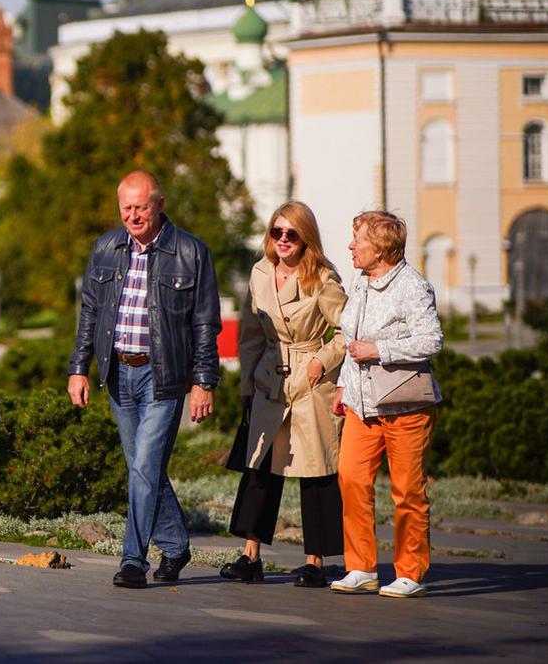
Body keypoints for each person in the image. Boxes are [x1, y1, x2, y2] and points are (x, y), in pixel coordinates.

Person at [68, 170, 220, 589]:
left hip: (163, 376)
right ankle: (174, 546)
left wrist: (203, 380)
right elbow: (89, 314)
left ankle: (132, 559)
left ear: (159, 204)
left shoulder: (191, 251)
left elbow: (206, 322)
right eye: (126, 208)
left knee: (145, 466)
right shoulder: (105, 248)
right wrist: (78, 368)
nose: (133, 216)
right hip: (118, 373)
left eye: (141, 207)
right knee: (142, 468)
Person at [220, 201, 346, 587]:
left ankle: (315, 561)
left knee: (317, 471)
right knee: (259, 469)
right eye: (277, 232)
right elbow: (249, 336)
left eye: (292, 233)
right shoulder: (259, 273)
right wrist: (246, 388)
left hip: (310, 383)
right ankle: (250, 555)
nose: (284, 240)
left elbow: (347, 332)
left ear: (306, 237)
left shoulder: (323, 278)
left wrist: (320, 362)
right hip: (268, 379)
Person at [330, 210, 442, 599]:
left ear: (381, 248)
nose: (350, 246)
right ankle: (361, 566)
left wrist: (381, 349)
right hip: (362, 406)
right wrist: (344, 386)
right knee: (351, 479)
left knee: (408, 489)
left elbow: (432, 341)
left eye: (357, 239)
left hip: (405, 406)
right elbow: (350, 341)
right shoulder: (360, 283)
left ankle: (410, 571)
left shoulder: (413, 287)